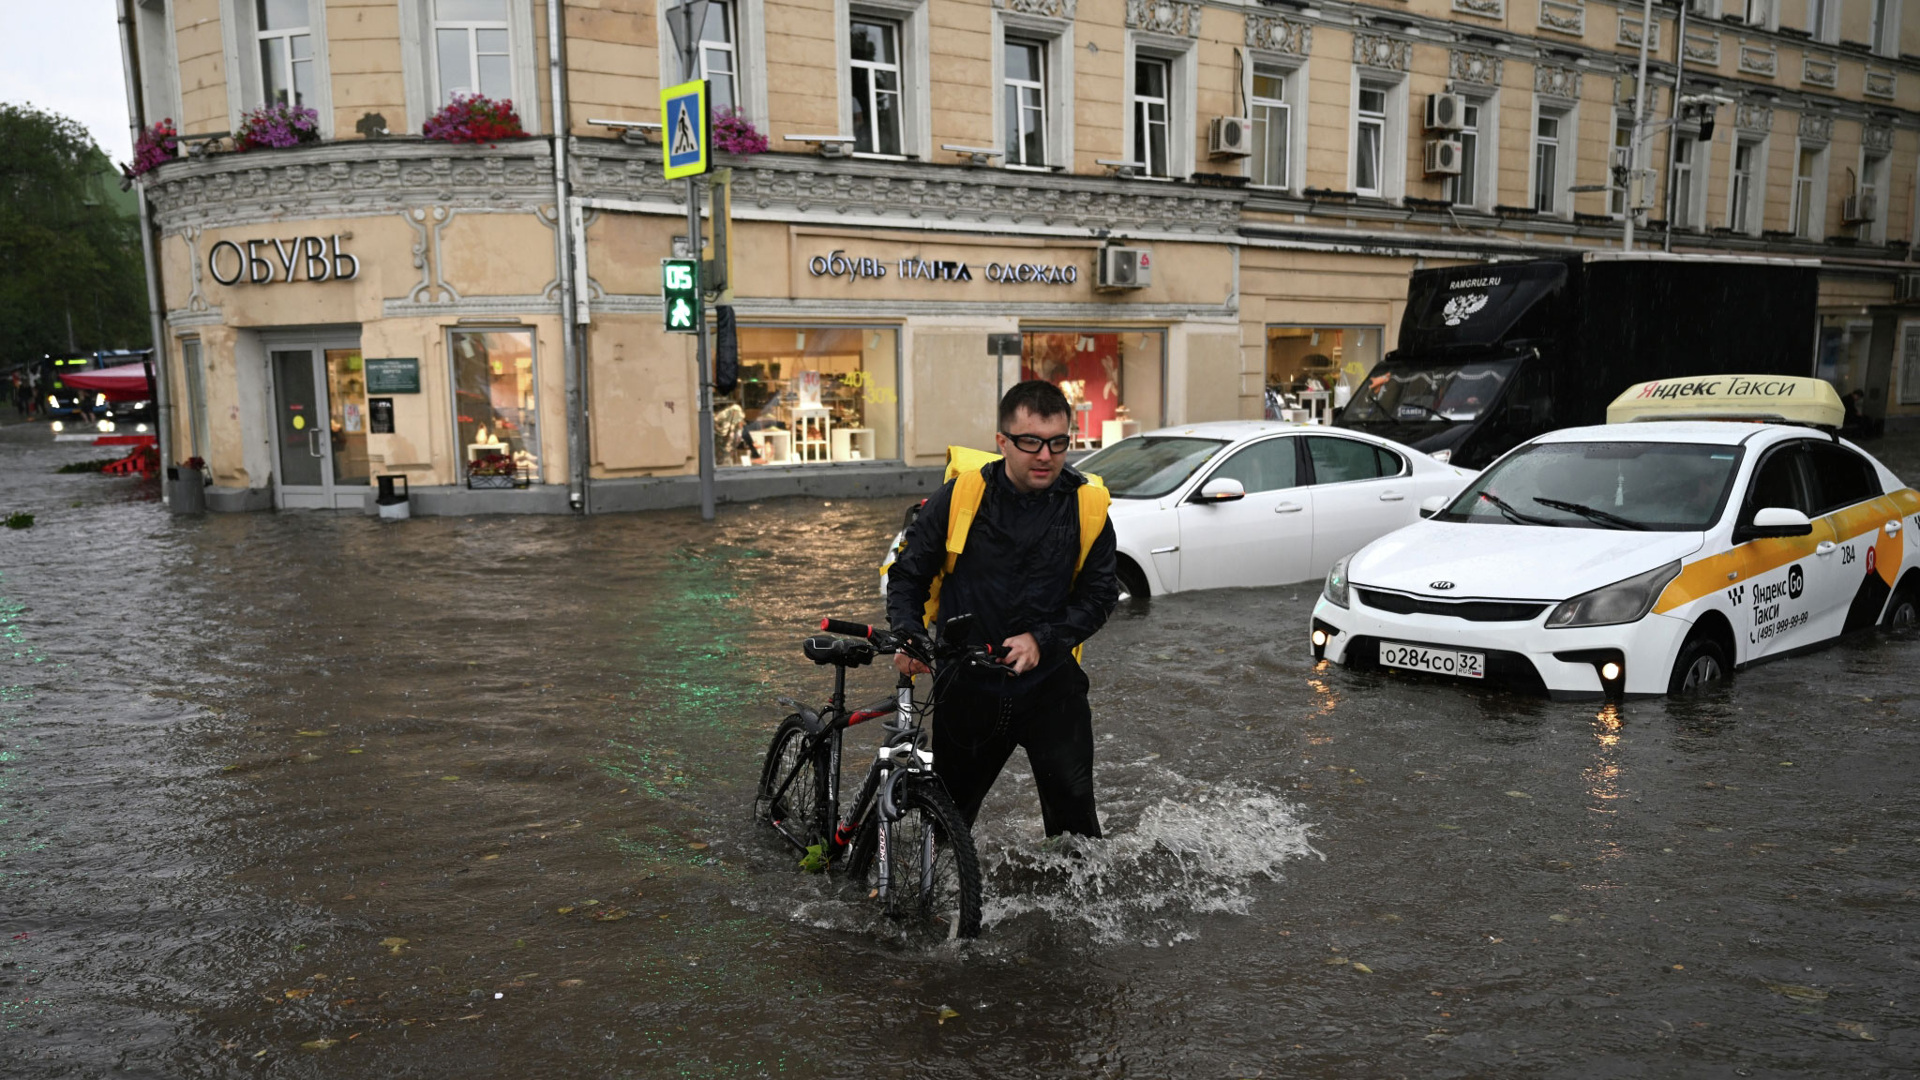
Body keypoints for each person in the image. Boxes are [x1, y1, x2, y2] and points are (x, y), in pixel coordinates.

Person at [884, 380, 1119, 839]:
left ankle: (1073, 908)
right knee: (947, 821)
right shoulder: (961, 497)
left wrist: (1042, 640)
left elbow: (1099, 596)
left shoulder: (1087, 506)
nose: (1046, 456)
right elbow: (908, 573)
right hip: (968, 686)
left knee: (1076, 827)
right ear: (1002, 442)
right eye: (1030, 442)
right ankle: (939, 901)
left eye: (1057, 442)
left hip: (1051, 688)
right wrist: (909, 632)